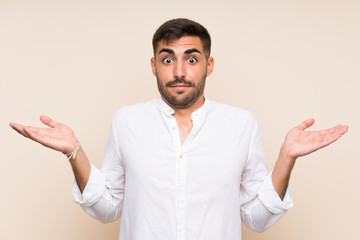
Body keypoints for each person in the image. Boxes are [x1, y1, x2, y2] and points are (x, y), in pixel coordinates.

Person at [9, 18, 348, 240]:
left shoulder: (241, 124)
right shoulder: (127, 121)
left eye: (192, 58)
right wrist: (75, 152)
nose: (179, 71)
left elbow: (256, 219)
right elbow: (108, 208)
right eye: (168, 59)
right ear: (154, 66)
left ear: (208, 65)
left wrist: (287, 158)